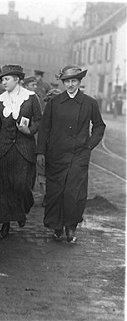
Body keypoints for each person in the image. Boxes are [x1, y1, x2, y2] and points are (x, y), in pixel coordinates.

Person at [37, 65, 105, 243]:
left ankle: (71, 227)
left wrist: (89, 145)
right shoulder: (54, 102)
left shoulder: (89, 103)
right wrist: (41, 152)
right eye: (67, 81)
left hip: (78, 155)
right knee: (55, 192)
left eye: (73, 81)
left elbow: (99, 126)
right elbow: (44, 128)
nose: (70, 85)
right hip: (56, 154)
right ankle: (56, 226)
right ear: (63, 83)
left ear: (79, 82)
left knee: (73, 193)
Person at [0, 65, 42, 239]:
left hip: (24, 149)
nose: (3, 82)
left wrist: (30, 131)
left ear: (17, 80)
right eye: (2, 80)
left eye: (7, 79)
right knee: (3, 188)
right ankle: (5, 225)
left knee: (21, 185)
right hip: (3, 149)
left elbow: (40, 121)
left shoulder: (31, 98)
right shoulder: (0, 100)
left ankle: (21, 209)